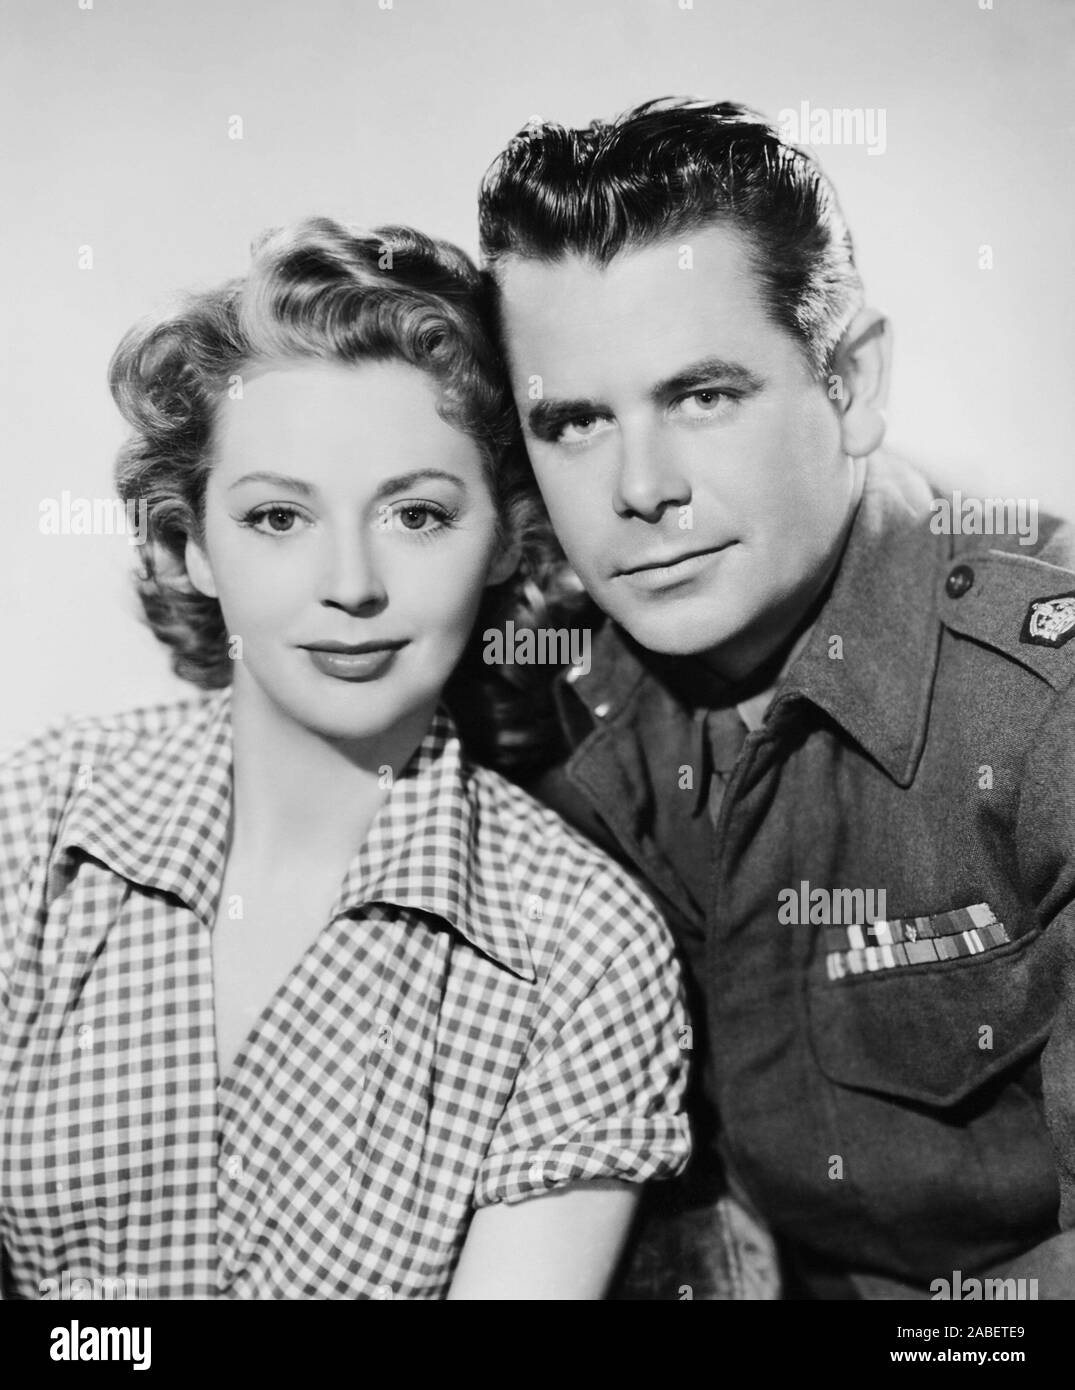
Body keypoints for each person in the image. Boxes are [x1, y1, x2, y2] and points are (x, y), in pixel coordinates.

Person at [0, 217, 692, 1301]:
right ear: (189, 547)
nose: (352, 583)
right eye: (278, 516)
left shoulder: (583, 949)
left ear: (509, 537)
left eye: (416, 513)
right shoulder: (36, 821)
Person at [476, 99, 1075, 1299]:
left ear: (848, 380)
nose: (640, 489)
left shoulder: (1043, 708)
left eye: (702, 396)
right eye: (576, 421)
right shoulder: (534, 688)